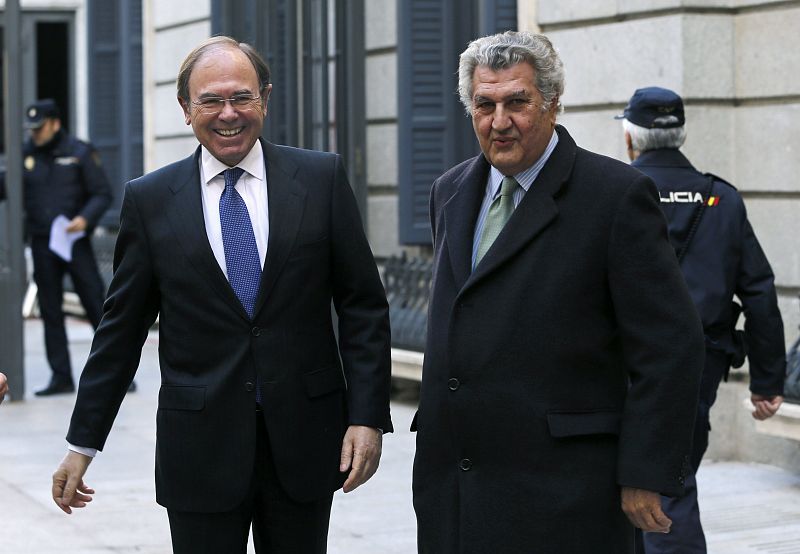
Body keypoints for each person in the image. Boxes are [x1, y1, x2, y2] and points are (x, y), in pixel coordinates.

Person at [50, 36, 392, 553]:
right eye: (210, 100)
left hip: (304, 443)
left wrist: (366, 417)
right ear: (185, 108)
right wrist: (82, 444)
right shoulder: (150, 200)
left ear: (265, 99)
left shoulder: (320, 179)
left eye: (241, 97)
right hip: (199, 453)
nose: (228, 114)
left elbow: (362, 305)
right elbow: (120, 332)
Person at [412, 31, 705, 554]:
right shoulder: (448, 191)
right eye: (484, 105)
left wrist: (645, 469)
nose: (499, 121)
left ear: (552, 103)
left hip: (566, 493)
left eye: (517, 103)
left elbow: (670, 345)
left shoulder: (616, 196)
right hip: (455, 488)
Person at [619, 86, 787, 554]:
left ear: (630, 139)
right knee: (668, 479)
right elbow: (759, 290)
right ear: (682, 136)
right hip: (701, 363)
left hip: (623, 363)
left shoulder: (615, 191)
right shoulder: (721, 198)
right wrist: (767, 381)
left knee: (643, 487)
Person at [0, 99, 115, 396]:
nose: (35, 134)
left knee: (96, 306)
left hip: (75, 243)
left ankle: (117, 374)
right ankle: (61, 377)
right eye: (31, 129)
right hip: (42, 243)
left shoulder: (79, 152)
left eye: (40, 128)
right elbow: (8, 187)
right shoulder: (24, 154)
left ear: (55, 123)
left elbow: (102, 193)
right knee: (50, 311)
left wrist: (84, 219)